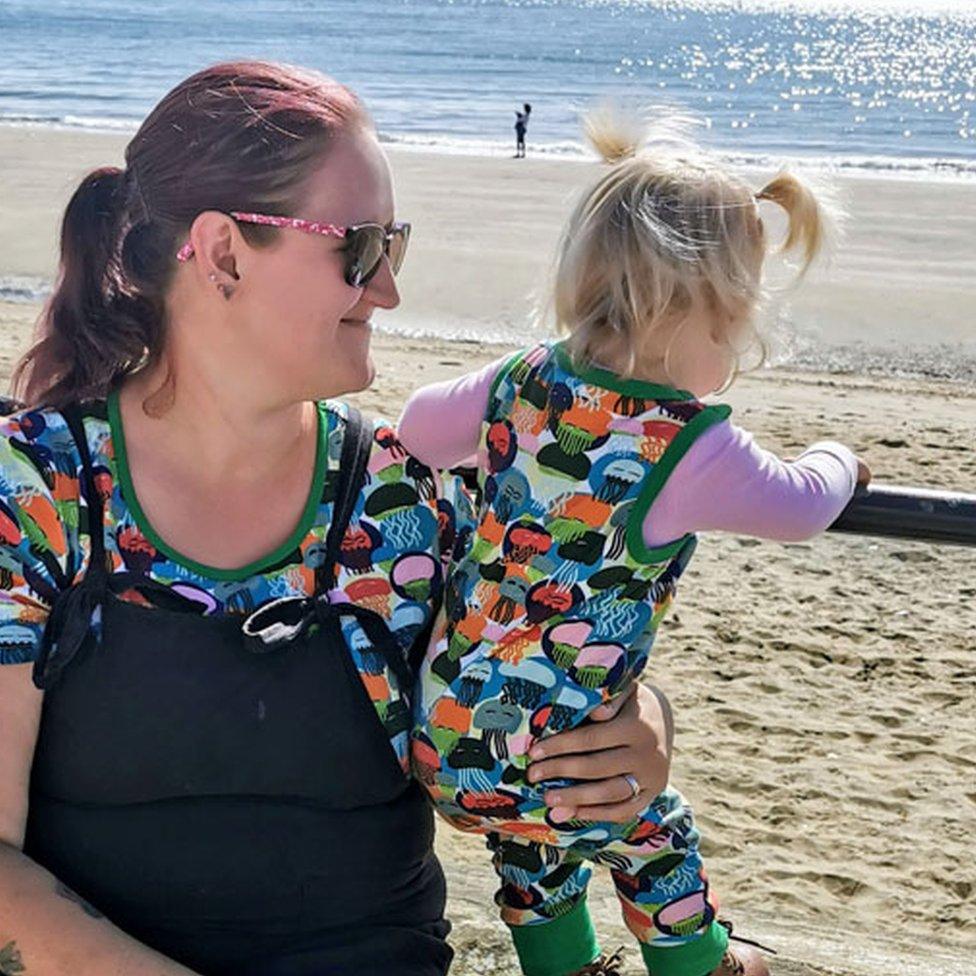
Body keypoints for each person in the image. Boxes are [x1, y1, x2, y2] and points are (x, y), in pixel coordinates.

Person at [0, 65, 677, 976]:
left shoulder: (410, 495)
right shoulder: (35, 490)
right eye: (358, 249)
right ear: (224, 253)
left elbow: (530, 694)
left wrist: (643, 732)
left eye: (397, 244)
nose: (389, 288)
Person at [398, 108, 872, 976]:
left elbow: (418, 428)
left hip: (442, 731)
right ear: (709, 311)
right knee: (654, 839)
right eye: (735, 331)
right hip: (568, 745)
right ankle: (702, 968)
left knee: (533, 842)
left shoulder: (519, 380)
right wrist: (840, 458)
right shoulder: (686, 443)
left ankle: (564, 964)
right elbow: (803, 507)